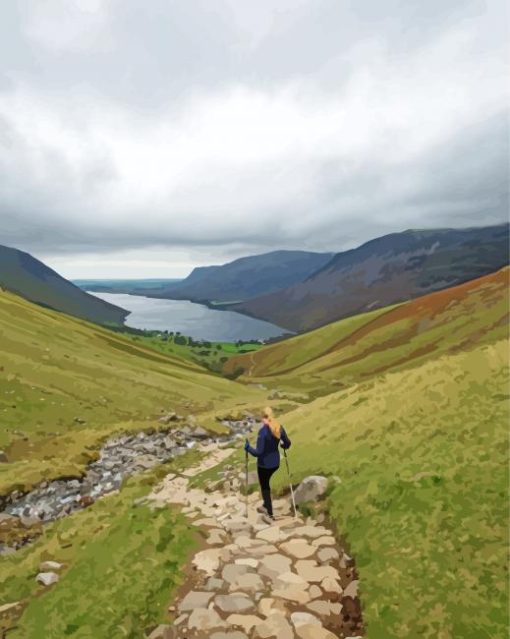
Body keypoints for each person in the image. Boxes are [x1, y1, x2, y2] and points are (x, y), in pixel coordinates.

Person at [244, 406, 291, 521]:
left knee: (265, 486)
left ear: (263, 417)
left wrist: (248, 448)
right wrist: (283, 446)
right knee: (266, 484)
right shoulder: (279, 427)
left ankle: (269, 512)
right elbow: (288, 443)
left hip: (264, 465)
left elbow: (258, 453)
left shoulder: (263, 432)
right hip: (275, 462)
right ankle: (266, 506)